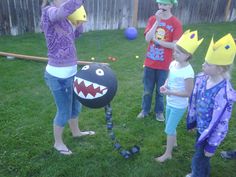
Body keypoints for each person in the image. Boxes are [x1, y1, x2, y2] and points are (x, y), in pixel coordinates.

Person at [40, 0, 95, 155]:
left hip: (72, 72)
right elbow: (58, 14)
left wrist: (79, 20)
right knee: (63, 111)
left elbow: (77, 34)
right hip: (56, 76)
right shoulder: (48, 11)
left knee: (75, 107)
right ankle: (58, 143)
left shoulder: (67, 14)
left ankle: (76, 132)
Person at [185, 33, 236, 177]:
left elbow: (221, 123)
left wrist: (212, 145)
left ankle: (197, 174)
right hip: (201, 128)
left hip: (210, 132)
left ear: (220, 69)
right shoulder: (202, 79)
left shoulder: (224, 94)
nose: (203, 65)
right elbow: (195, 101)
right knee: (201, 157)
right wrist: (193, 120)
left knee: (200, 158)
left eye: (207, 63)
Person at [155, 30, 203, 162]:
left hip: (179, 105)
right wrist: (165, 85)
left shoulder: (188, 72)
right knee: (170, 124)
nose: (174, 53)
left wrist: (170, 92)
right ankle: (173, 143)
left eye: (178, 52)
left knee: (169, 128)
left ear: (187, 55)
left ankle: (168, 154)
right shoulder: (173, 64)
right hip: (170, 101)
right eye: (174, 51)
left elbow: (188, 93)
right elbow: (169, 78)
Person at [137, 0, 183, 121]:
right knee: (147, 89)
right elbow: (147, 38)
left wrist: (157, 41)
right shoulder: (153, 19)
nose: (162, 7)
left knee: (160, 90)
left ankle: (159, 111)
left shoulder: (176, 23)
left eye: (165, 4)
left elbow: (175, 45)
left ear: (171, 6)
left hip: (165, 64)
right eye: (160, 4)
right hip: (150, 63)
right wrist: (157, 22)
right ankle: (145, 110)